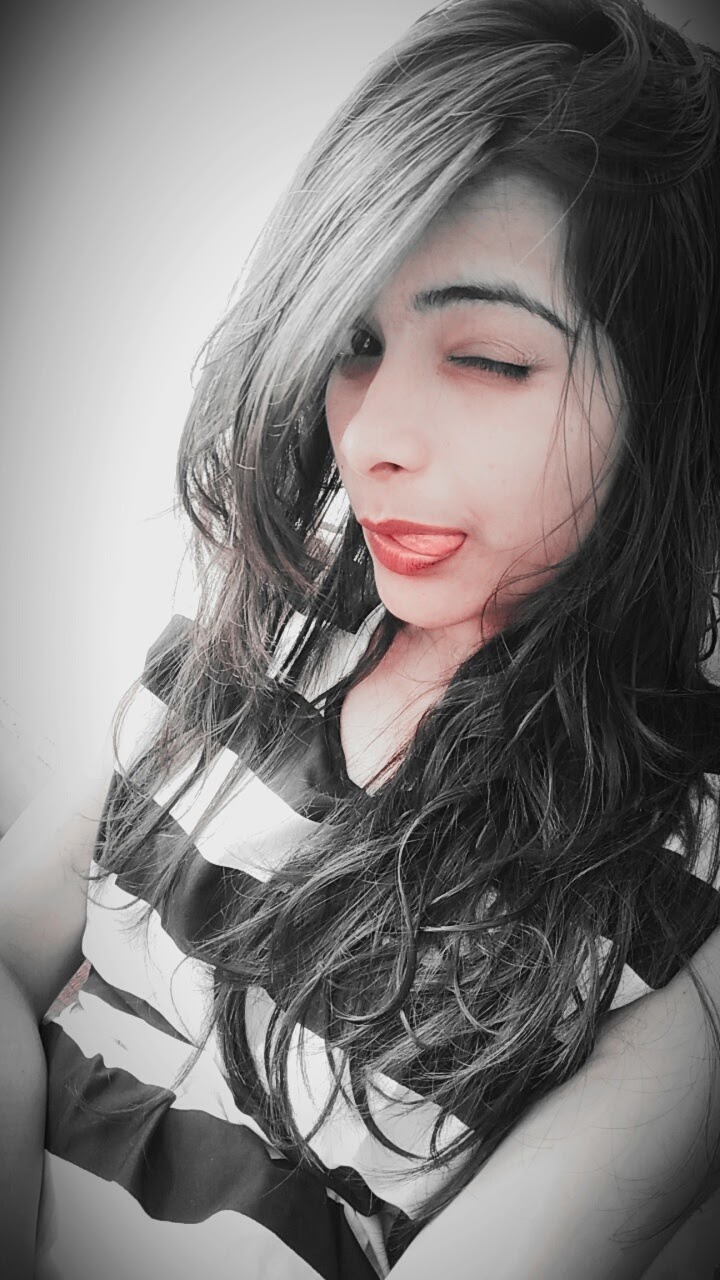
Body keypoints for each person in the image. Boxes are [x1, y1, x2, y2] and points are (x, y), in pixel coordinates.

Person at [2, 0, 720, 1276]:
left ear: (669, 405)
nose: (372, 434)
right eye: (354, 342)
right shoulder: (259, 625)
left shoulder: (682, 886)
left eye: (488, 358)